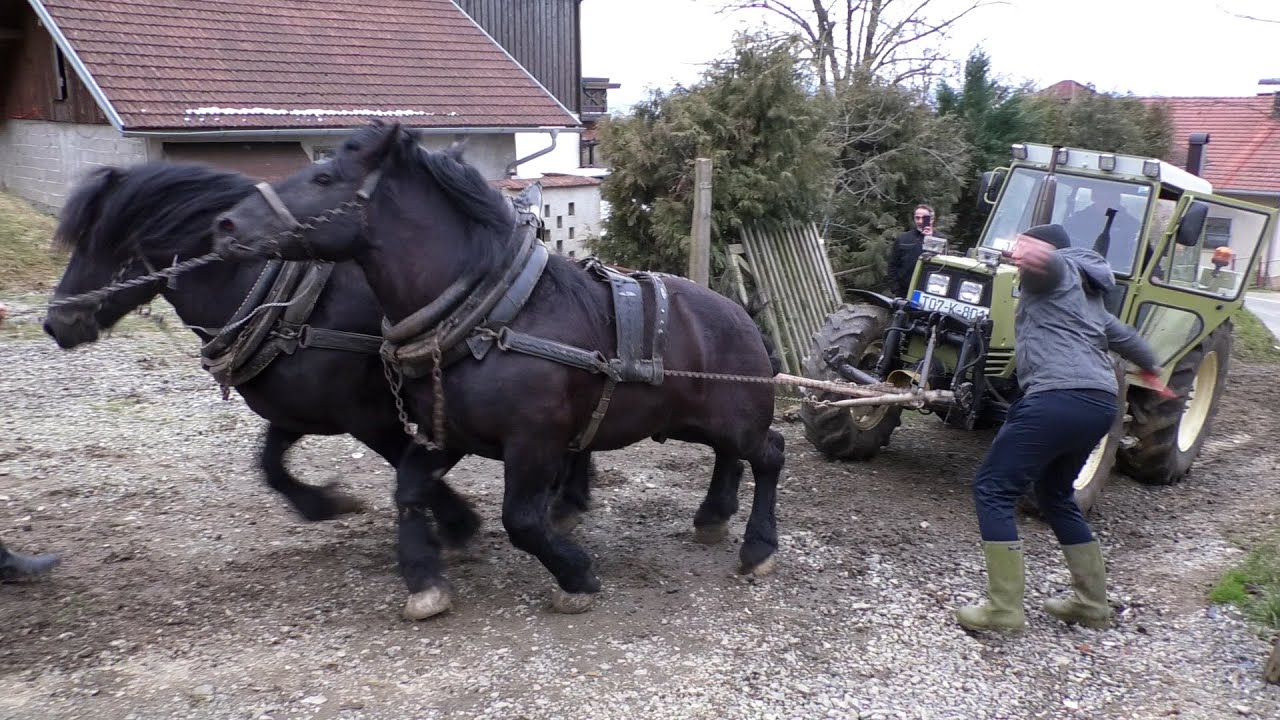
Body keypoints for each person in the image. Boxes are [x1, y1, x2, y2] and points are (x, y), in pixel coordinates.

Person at [955, 223, 1161, 634]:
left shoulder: (1058, 272)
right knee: (1056, 494)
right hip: (1100, 405)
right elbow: (1132, 342)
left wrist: (1037, 256)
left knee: (993, 489)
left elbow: (1049, 267)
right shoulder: (1092, 299)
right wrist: (1153, 371)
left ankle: (1004, 611)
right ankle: (1091, 604)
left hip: (1056, 398)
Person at [1062, 185, 1142, 271]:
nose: (1107, 202)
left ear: (1118, 198)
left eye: (1111, 197)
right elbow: (1062, 249)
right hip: (1076, 270)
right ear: (1094, 197)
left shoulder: (1132, 225)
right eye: (1102, 197)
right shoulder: (1075, 221)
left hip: (1116, 274)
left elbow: (1144, 256)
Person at [887, 204, 942, 297]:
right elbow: (892, 265)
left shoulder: (940, 239)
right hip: (903, 292)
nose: (920, 221)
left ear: (931, 219)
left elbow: (943, 265)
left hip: (930, 293)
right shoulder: (903, 239)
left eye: (924, 218)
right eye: (917, 218)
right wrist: (895, 288)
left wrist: (929, 238)